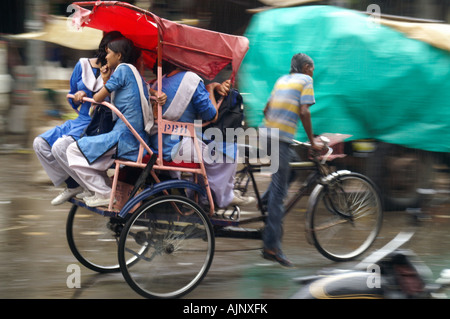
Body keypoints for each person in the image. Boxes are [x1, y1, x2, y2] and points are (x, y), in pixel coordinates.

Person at [54, 37, 161, 207]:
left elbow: (97, 97)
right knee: (81, 153)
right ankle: (103, 190)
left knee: (73, 150)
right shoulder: (130, 71)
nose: (106, 56)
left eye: (109, 53)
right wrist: (105, 78)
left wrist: (103, 79)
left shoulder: (122, 70)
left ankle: (104, 192)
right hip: (128, 136)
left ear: (119, 55)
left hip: (125, 137)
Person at [33, 31, 124, 205]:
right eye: (109, 49)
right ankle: (73, 184)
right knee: (40, 143)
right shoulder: (82, 65)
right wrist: (77, 96)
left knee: (60, 147)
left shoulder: (119, 70)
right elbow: (72, 98)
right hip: (81, 119)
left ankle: (91, 186)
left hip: (99, 123)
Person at [149, 61, 254, 208]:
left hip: (157, 142)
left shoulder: (159, 82)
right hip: (175, 145)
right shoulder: (191, 80)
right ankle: (221, 197)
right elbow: (211, 115)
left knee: (206, 148)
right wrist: (211, 88)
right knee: (227, 153)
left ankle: (203, 195)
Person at [260, 53, 323, 267]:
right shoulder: (306, 80)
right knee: (280, 192)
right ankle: (271, 246)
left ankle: (264, 201)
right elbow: (304, 111)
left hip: (266, 135)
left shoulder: (282, 80)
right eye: (312, 69)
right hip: (280, 139)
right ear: (306, 67)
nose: (312, 72)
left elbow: (266, 109)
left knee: (293, 169)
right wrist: (313, 141)